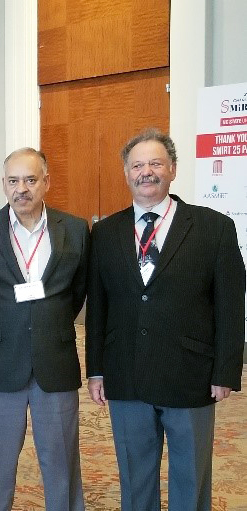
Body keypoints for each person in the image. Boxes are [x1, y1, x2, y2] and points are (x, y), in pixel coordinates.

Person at [86, 129, 245, 511]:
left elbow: (230, 305)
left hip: (189, 376)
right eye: (137, 165)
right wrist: (96, 370)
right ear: (126, 173)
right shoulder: (105, 232)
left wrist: (225, 371)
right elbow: (98, 307)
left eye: (155, 163)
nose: (146, 172)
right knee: (135, 478)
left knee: (191, 478)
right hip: (126, 374)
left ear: (172, 169)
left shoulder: (214, 228)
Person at [0, 147, 88, 511]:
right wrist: (5, 328)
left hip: (56, 361)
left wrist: (47, 325)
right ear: (3, 185)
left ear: (46, 182)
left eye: (31, 180)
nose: (22, 189)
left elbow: (76, 294)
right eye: (13, 181)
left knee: (62, 466)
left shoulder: (75, 229)